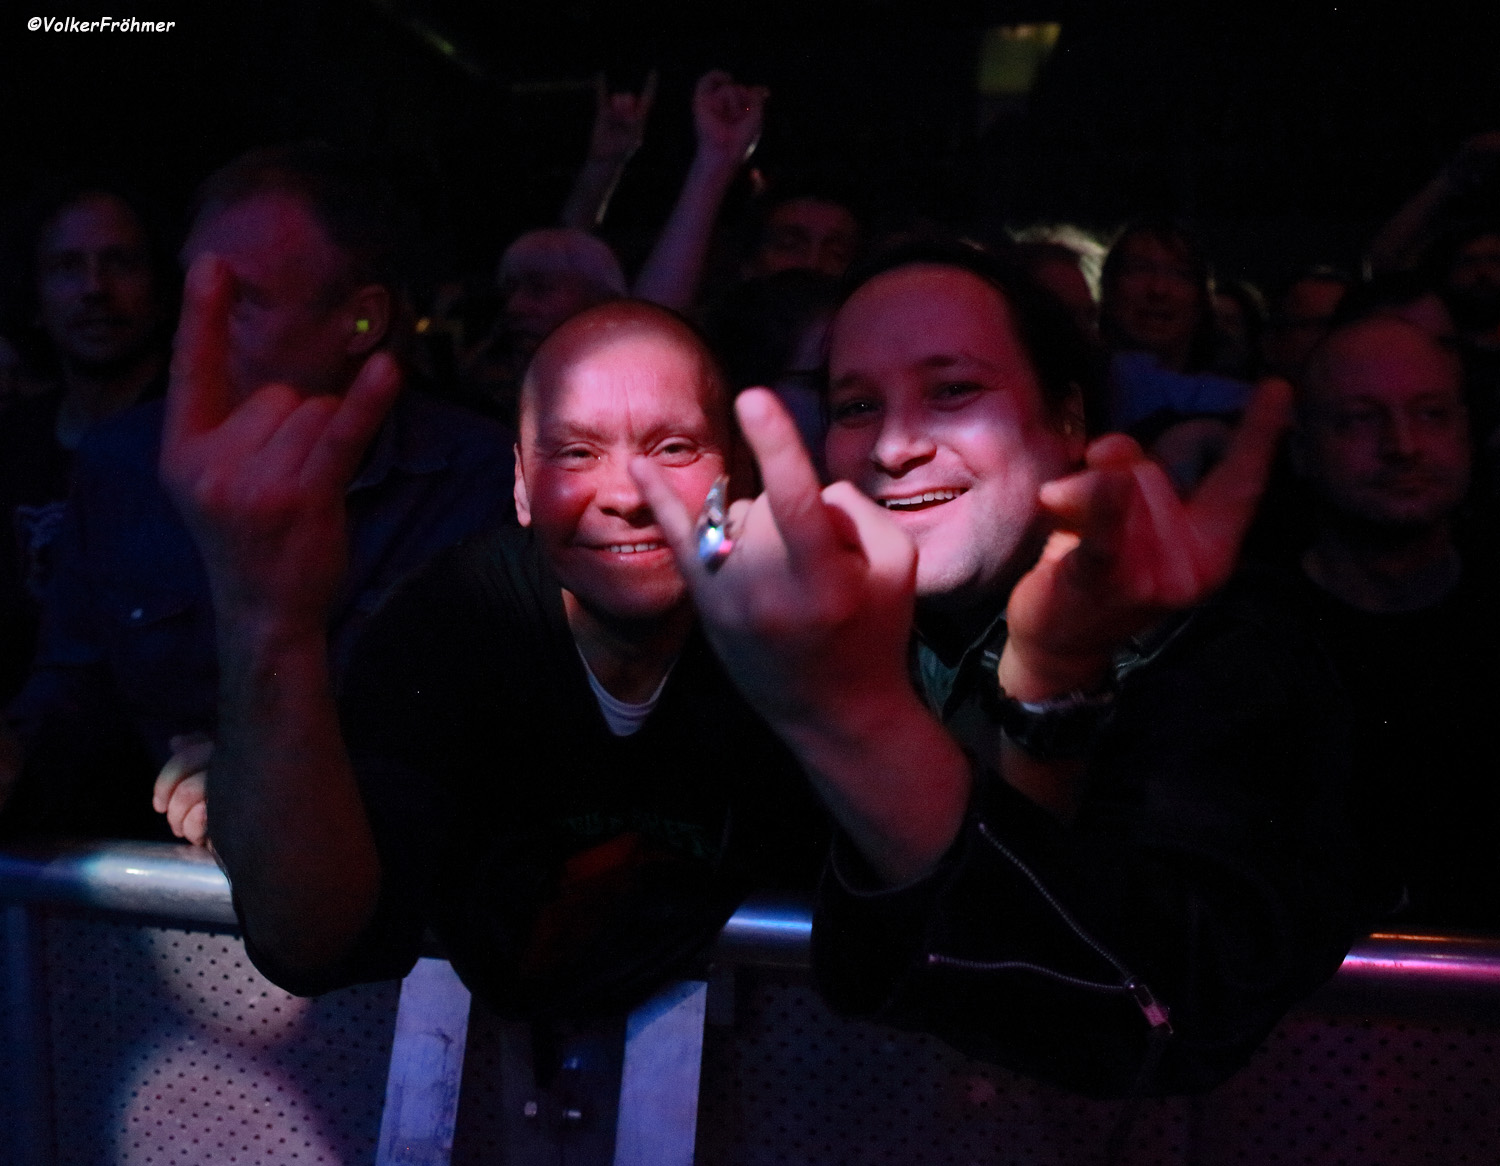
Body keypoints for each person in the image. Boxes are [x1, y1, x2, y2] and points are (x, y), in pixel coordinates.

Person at [633, 242, 1363, 1097]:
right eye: (857, 405)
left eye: (953, 391)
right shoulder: (814, 623)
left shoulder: (1222, 642)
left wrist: (863, 712)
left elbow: (1165, 1014)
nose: (896, 445)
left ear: (1066, 420)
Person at [156, 290, 824, 1018]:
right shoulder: (451, 619)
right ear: (521, 487)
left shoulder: (808, 633)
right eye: (577, 452)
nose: (629, 495)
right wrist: (268, 620)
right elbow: (317, 942)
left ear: (740, 475)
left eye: (673, 448)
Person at [0, 145, 515, 841]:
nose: (197, 335)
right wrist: (17, 755)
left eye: (239, 302)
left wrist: (271, 773)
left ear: (361, 321)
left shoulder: (474, 481)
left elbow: (482, 746)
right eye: (191, 300)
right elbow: (74, 691)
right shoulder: (122, 463)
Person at [1292, 312, 1500, 928]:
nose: (1403, 445)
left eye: (1432, 414)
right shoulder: (1248, 640)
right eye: (1360, 419)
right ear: (1303, 449)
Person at [0, 186, 172, 703]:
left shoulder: (198, 436)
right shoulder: (13, 443)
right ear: (33, 295)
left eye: (120, 262)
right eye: (67, 267)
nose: (95, 288)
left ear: (160, 286)